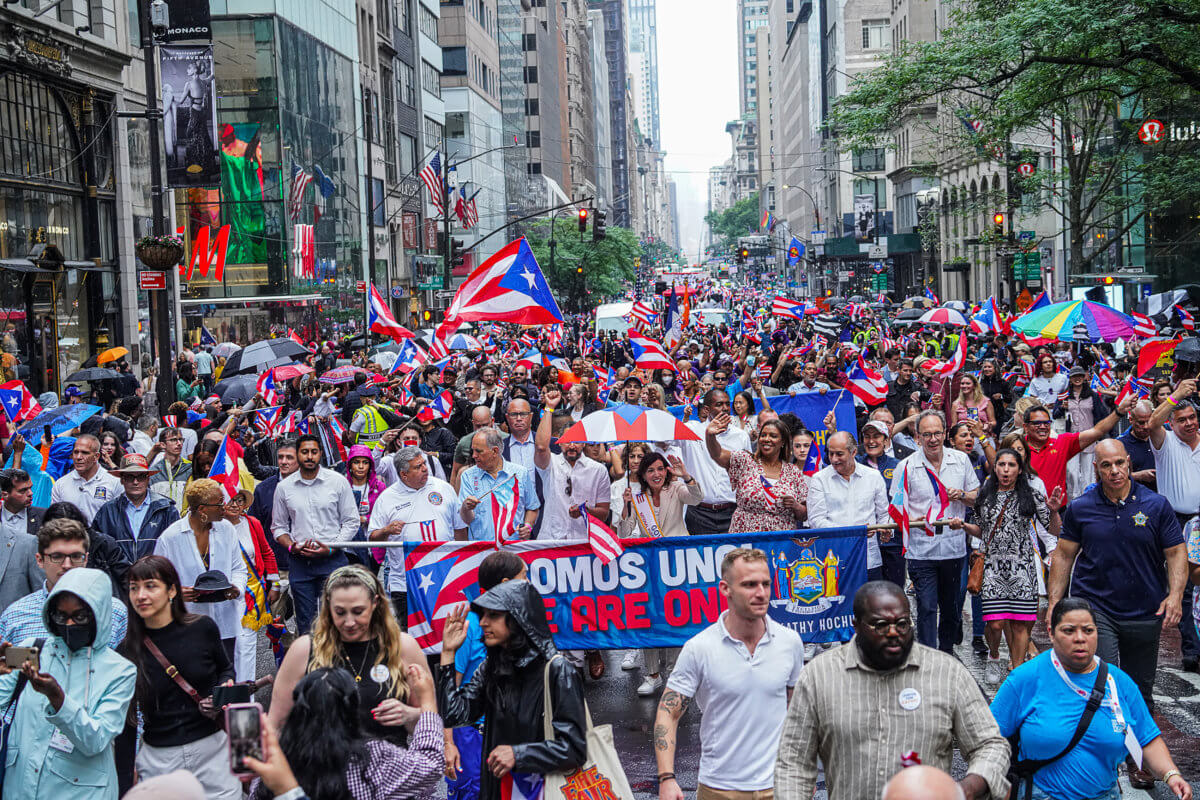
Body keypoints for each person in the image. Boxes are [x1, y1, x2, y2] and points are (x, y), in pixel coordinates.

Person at [774, 581, 1010, 800]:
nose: (893, 632)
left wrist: (965, 789)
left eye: (902, 624)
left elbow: (989, 744)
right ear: (856, 625)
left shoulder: (948, 674)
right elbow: (793, 762)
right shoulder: (818, 677)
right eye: (880, 625)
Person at [1048, 439, 1186, 788]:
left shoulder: (1155, 505)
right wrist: (1055, 602)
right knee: (1104, 682)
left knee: (1139, 688)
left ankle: (1139, 758)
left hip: (1145, 608)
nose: (1114, 471)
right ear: (1097, 467)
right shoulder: (1081, 508)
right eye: (1106, 465)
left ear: (1129, 463)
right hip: (1096, 610)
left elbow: (1175, 552)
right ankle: (1099, 757)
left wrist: (1175, 596)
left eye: (1120, 463)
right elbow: (1064, 555)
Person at [991, 598, 1193, 800]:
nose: (1080, 638)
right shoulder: (1025, 679)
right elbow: (987, 739)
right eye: (1069, 631)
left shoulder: (1119, 682)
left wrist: (1171, 775)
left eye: (1088, 630)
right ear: (1051, 634)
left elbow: (1146, 739)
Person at [655, 548, 804, 800]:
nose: (761, 593)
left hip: (780, 787)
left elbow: (797, 712)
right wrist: (666, 778)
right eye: (749, 585)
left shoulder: (789, 642)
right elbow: (667, 713)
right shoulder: (699, 648)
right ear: (725, 589)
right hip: (719, 788)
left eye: (766, 584)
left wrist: (802, 771)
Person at [438, 580, 587, 800]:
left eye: (493, 615)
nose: (483, 623)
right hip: (500, 790)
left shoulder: (557, 670)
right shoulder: (492, 668)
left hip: (546, 791)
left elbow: (574, 748)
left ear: (519, 619)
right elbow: (454, 714)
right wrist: (448, 655)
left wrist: (519, 755)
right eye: (483, 615)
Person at [0, 567, 137, 800]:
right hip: (20, 788)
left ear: (98, 614)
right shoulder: (33, 649)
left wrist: (59, 700)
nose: (70, 624)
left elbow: (96, 739)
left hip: (81, 793)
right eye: (61, 616)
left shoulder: (120, 670)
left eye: (80, 616)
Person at [119, 555, 241, 799]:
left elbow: (226, 669)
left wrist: (221, 691)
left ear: (172, 590)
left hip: (213, 752)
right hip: (160, 760)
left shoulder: (202, 628)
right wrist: (123, 782)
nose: (141, 595)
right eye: (134, 588)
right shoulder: (126, 651)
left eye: (150, 586)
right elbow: (126, 722)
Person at [269, 565, 430, 747]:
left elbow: (429, 720)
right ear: (328, 606)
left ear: (375, 603)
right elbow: (276, 725)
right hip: (324, 769)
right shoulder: (304, 649)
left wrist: (408, 714)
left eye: (358, 611)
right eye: (340, 612)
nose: (349, 622)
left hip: (388, 769)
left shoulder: (402, 646)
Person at [252, 667, 443, 800]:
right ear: (352, 710)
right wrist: (427, 703)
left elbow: (256, 791)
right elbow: (431, 765)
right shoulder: (374, 759)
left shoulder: (282, 765)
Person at [968, 448, 1060, 685]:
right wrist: (964, 527)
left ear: (1020, 470)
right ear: (995, 468)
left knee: (1021, 623)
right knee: (995, 622)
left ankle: (1017, 672)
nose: (1006, 470)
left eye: (1011, 465)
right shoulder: (984, 497)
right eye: (1001, 465)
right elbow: (981, 529)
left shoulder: (1032, 495)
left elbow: (1053, 529)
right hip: (993, 566)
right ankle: (994, 654)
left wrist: (1054, 510)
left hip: (1023, 567)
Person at [443, 550, 528, 800]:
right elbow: (451, 688)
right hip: (472, 735)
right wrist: (449, 743)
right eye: (524, 577)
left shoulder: (520, 623)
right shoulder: (469, 625)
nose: (528, 583)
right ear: (506, 584)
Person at [892, 410, 980, 652]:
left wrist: (962, 496)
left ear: (945, 435)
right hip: (921, 550)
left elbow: (977, 497)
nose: (933, 439)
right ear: (918, 437)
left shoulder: (960, 461)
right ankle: (929, 655)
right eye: (927, 434)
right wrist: (912, 519)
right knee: (927, 607)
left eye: (937, 433)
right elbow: (895, 508)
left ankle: (947, 651)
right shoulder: (906, 466)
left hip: (953, 548)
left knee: (952, 608)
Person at [615, 451, 701, 695]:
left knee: (676, 615)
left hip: (677, 563)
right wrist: (626, 505)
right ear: (642, 474)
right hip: (650, 564)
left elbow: (696, 498)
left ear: (667, 471)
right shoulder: (637, 497)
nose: (656, 474)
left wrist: (685, 475)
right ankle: (652, 674)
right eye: (650, 470)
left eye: (660, 469)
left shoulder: (676, 489)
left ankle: (674, 673)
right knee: (651, 616)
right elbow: (624, 532)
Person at [271, 434, 360, 635]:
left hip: (333, 559)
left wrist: (332, 547)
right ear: (298, 454)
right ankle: (311, 664)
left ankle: (340, 664)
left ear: (320, 453)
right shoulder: (284, 488)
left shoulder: (337, 482)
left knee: (340, 616)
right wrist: (292, 545)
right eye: (304, 452)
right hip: (300, 561)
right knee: (305, 621)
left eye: (313, 452)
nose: (309, 456)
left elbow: (351, 521)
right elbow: (278, 527)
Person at [154, 479, 248, 661]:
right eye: (219, 503)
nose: (225, 507)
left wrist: (236, 588)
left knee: (226, 682)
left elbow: (238, 568)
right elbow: (157, 581)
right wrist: (176, 593)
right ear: (202, 510)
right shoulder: (171, 538)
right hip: (189, 625)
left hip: (225, 623)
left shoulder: (227, 529)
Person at [368, 445, 463, 623]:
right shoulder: (387, 498)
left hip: (444, 576)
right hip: (405, 583)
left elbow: (459, 529)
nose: (425, 468)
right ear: (404, 474)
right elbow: (372, 537)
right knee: (409, 636)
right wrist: (386, 530)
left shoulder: (444, 488)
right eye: (418, 467)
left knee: (446, 630)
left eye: (424, 464)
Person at [0, 518, 128, 649]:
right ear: (40, 560)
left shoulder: (115, 612)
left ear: (86, 559)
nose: (67, 565)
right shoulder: (14, 616)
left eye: (76, 556)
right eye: (57, 557)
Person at [806, 431, 889, 580]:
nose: (834, 459)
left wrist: (886, 530)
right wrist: (854, 533)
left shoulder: (873, 476)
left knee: (871, 602)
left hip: (868, 559)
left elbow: (883, 514)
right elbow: (816, 520)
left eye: (839, 454)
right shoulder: (819, 479)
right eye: (830, 454)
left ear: (854, 452)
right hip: (834, 559)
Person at [533, 388, 611, 540]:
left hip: (584, 541)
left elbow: (604, 513)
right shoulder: (551, 464)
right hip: (551, 541)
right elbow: (541, 447)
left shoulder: (598, 470)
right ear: (559, 442)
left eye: (577, 441)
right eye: (567, 441)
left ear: (584, 443)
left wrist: (586, 511)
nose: (572, 445)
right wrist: (549, 408)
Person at [706, 415, 807, 533]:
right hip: (745, 537)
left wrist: (795, 506)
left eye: (773, 436)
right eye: (763, 435)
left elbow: (804, 515)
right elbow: (717, 454)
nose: (767, 439)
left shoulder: (793, 472)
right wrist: (710, 436)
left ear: (783, 442)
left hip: (780, 543)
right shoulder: (745, 460)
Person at [223, 488, 279, 682]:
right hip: (223, 595)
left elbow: (267, 553)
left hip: (251, 593)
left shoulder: (252, 524)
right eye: (230, 500)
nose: (235, 505)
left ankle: (247, 695)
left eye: (239, 501)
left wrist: (275, 584)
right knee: (226, 647)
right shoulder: (213, 526)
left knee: (246, 646)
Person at [679, 389, 752, 536]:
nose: (725, 408)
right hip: (699, 513)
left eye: (727, 404)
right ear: (706, 409)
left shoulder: (741, 436)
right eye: (719, 404)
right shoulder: (691, 431)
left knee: (736, 557)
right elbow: (664, 441)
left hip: (732, 512)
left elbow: (748, 474)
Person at [91, 454, 180, 563]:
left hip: (156, 576)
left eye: (141, 476)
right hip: (119, 577)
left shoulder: (167, 509)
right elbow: (97, 549)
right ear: (122, 480)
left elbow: (176, 549)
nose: (135, 482)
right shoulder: (107, 511)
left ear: (148, 479)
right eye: (130, 477)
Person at [457, 428, 540, 542]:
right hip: (482, 549)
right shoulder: (468, 476)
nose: (474, 456)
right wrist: (466, 508)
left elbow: (533, 507)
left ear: (495, 451)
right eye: (473, 450)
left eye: (479, 451)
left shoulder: (519, 473)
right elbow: (466, 520)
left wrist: (528, 526)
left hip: (513, 548)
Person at [50, 433, 123, 524]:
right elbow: (55, 520)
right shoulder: (61, 484)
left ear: (96, 456)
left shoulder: (114, 482)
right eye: (76, 452)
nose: (78, 457)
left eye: (85, 453)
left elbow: (120, 519)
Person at [0, 468, 44, 613]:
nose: (30, 494)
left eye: (30, 488)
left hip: (28, 603)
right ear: (5, 494)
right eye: (22, 491)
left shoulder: (44, 518)